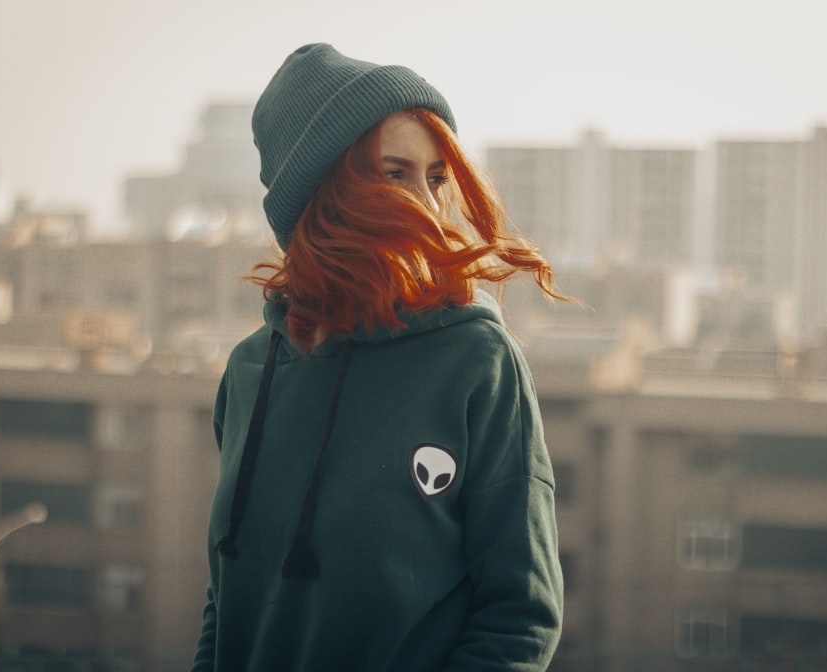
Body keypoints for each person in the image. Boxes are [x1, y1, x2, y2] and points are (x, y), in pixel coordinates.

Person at [191, 43, 567, 672]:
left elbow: (520, 616)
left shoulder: (478, 360)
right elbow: (226, 601)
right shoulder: (250, 371)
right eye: (396, 172)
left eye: (436, 178)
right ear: (323, 189)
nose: (426, 201)